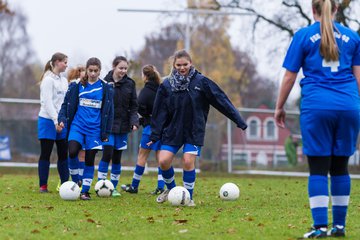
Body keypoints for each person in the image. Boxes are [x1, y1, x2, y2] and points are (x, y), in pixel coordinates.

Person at [274, 0, 360, 238]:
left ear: (313, 9)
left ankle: (320, 227)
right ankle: (340, 227)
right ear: (336, 9)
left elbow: (290, 77)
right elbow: (359, 77)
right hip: (348, 106)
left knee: (319, 169)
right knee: (341, 167)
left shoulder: (303, 36)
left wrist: (279, 107)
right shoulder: (353, 37)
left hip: (317, 106)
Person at [149, 50, 247, 206]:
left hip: (194, 130)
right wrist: (154, 134)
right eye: (179, 65)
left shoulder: (202, 82)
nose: (182, 68)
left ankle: (189, 198)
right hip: (173, 130)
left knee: (188, 161)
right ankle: (173, 191)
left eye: (185, 64)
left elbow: (221, 100)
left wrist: (239, 120)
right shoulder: (166, 85)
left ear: (191, 63)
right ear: (174, 65)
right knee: (163, 161)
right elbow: (159, 111)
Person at [58, 57, 114, 200]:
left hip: (95, 129)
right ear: (87, 70)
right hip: (78, 126)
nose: (93, 73)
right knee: (72, 152)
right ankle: (76, 181)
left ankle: (85, 191)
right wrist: (62, 119)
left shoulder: (105, 87)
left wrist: (106, 132)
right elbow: (66, 104)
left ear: (100, 71)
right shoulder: (77, 85)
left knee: (89, 159)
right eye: (91, 70)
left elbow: (110, 112)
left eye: (96, 71)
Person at [97, 56, 139, 197]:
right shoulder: (104, 82)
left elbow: (134, 106)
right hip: (108, 126)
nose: (123, 71)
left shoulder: (130, 84)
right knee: (107, 154)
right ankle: (100, 185)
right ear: (114, 67)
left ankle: (113, 188)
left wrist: (134, 122)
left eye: (125, 68)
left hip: (123, 127)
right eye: (121, 68)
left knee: (117, 157)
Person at [121, 64, 165, 195]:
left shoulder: (145, 92)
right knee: (160, 158)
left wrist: (143, 120)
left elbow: (139, 108)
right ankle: (161, 187)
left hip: (150, 129)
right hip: (162, 128)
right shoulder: (161, 89)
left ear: (145, 76)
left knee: (142, 156)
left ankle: (134, 186)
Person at [37, 52, 69, 193]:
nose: (66, 65)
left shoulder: (64, 80)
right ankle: (43, 186)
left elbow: (65, 102)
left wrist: (62, 119)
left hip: (61, 122)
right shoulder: (48, 80)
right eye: (65, 62)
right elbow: (48, 103)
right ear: (57, 62)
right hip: (47, 121)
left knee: (63, 154)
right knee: (46, 153)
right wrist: (55, 120)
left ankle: (65, 185)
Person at [65, 66, 86, 185]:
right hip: (74, 125)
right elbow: (66, 105)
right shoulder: (72, 87)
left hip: (87, 126)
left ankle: (80, 182)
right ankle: (73, 180)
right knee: (72, 152)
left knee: (82, 154)